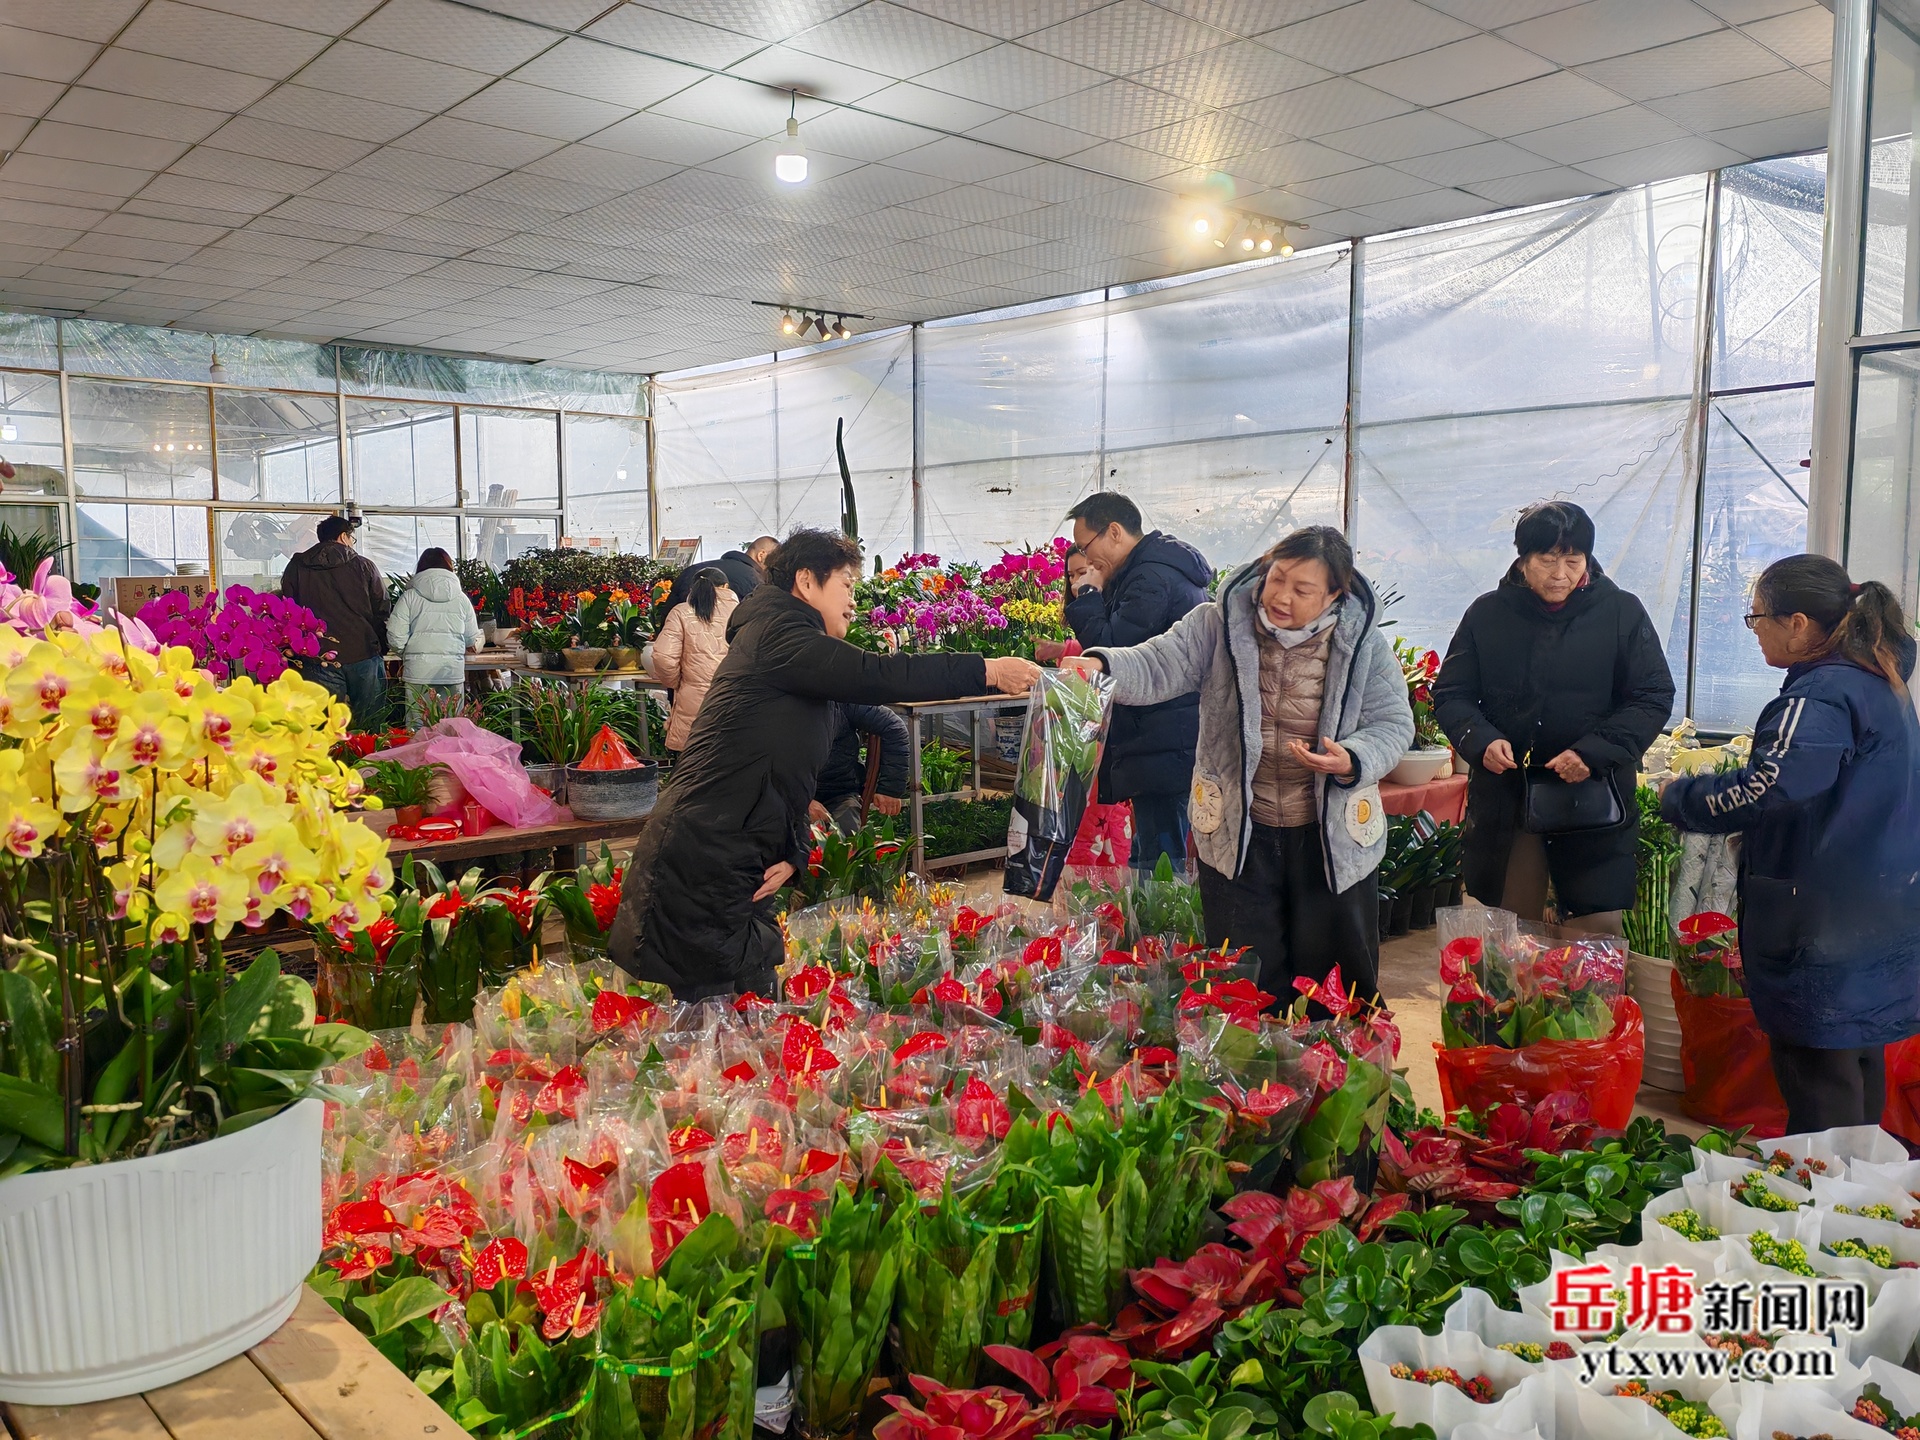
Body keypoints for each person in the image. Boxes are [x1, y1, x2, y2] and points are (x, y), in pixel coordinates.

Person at [609, 528, 1041, 1000]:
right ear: (807, 582)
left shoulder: (786, 646)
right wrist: (989, 670)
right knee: (716, 1026)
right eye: (847, 585)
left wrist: (791, 853)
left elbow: (780, 771)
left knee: (746, 1021)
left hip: (735, 854)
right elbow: (877, 674)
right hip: (705, 858)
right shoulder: (779, 634)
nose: (854, 602)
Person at [1063, 526, 1414, 1004]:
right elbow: (1160, 662)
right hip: (1239, 833)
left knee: (1335, 986)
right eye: (1277, 578)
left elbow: (1393, 722)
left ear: (1335, 593)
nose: (1282, 596)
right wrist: (1102, 666)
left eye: (1302, 589)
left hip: (1329, 837)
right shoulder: (1219, 624)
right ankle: (1251, 1072)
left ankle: (1337, 1072)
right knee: (1246, 980)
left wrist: (1354, 757)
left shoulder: (1362, 643)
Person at [1662, 556, 1920, 1132]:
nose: (1756, 633)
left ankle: (1827, 1205)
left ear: (1798, 623)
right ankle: (1860, 1201)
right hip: (1877, 904)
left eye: (1757, 618)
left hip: (1823, 917)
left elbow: (1770, 784)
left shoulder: (1822, 694)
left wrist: (1684, 800)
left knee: (1819, 1073)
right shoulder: (1881, 680)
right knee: (1855, 1060)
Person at [1432, 501, 1675, 935]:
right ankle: (1510, 1004)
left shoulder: (1621, 612)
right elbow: (1453, 693)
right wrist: (1481, 740)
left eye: (1572, 560)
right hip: (1510, 798)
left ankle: (1590, 1003)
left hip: (1592, 798)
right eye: (1546, 560)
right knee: (1509, 934)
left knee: (1592, 936)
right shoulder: (1488, 614)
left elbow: (1652, 696)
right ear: (1523, 559)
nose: (1559, 573)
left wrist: (1593, 752)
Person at [1063, 492, 1212, 871]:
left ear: (1113, 532)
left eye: (1085, 546)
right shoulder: (1151, 570)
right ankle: (1157, 930)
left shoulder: (1150, 578)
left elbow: (1116, 653)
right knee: (1155, 852)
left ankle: (1166, 933)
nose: (1085, 559)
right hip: (1164, 739)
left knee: (1162, 865)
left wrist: (1089, 595)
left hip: (1163, 739)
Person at [281, 514, 390, 730]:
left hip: (317, 655)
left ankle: (330, 762)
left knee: (324, 725)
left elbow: (288, 610)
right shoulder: (363, 565)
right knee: (370, 723)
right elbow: (382, 608)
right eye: (351, 538)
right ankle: (368, 762)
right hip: (363, 652)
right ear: (343, 537)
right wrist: (380, 644)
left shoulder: (296, 567)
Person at [385, 547, 481, 726]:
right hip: (451, 672)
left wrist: (409, 654)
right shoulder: (461, 599)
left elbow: (395, 636)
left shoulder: (409, 597)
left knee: (418, 728)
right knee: (452, 728)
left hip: (418, 673)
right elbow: (470, 639)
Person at [651, 566, 737, 754]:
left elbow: (663, 656)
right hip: (736, 700)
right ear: (726, 586)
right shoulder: (742, 612)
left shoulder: (681, 612)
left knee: (693, 766)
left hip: (693, 701)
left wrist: (678, 683)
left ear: (693, 588)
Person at [812, 703, 909, 833]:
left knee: (846, 838)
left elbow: (893, 726)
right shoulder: (780, 703)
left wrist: (890, 788)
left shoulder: (843, 702)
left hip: (840, 792)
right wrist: (802, 802)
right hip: (787, 795)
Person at [663, 535, 774, 616]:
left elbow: (668, 615)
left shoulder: (691, 570)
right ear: (761, 555)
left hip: (685, 645)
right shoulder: (755, 581)